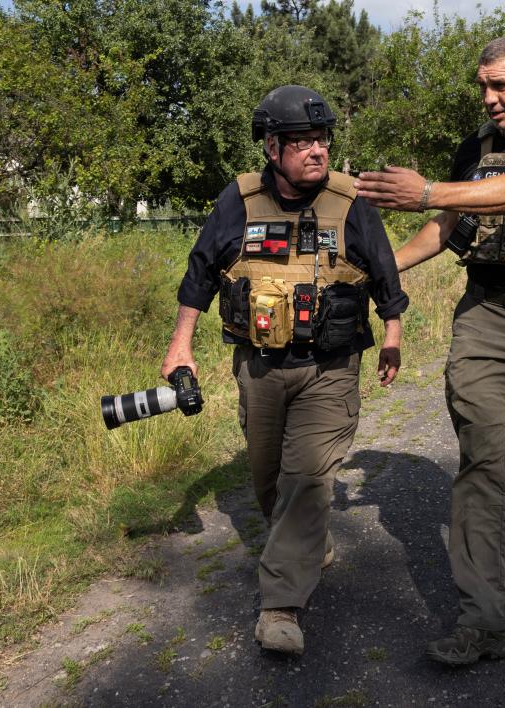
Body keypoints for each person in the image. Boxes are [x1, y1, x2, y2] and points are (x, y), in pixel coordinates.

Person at [355, 36, 505, 666]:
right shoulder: (475, 150)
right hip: (485, 316)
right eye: (482, 86)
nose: (489, 98)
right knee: (481, 463)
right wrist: (379, 273)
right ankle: (484, 618)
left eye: (501, 85)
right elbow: (443, 229)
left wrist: (429, 190)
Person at [162, 85, 407, 656]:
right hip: (260, 367)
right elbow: (199, 275)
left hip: (331, 368)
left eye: (322, 140)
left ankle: (280, 606)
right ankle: (303, 540)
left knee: (306, 479)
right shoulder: (239, 201)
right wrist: (181, 345)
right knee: (268, 477)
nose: (317, 151)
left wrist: (392, 334)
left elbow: (385, 273)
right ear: (272, 147)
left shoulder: (351, 202)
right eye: (302, 142)